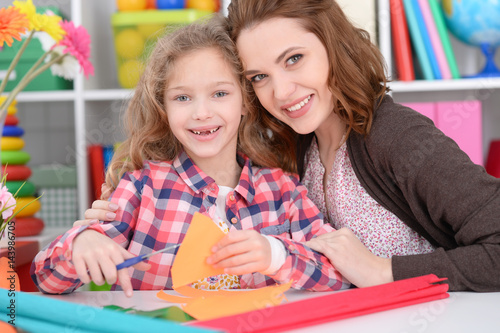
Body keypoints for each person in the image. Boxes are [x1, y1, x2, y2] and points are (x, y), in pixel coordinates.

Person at [80, 0, 500, 292]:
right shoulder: (293, 145)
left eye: (294, 58)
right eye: (258, 77)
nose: (281, 91)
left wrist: (384, 271)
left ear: (333, 46)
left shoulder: (398, 137)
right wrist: (100, 226)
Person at [31, 14, 349, 298]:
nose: (201, 113)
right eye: (182, 97)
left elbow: (340, 274)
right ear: (164, 109)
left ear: (245, 102)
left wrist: (275, 255)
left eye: (220, 94)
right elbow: (45, 279)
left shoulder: (282, 191)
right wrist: (80, 244)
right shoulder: (141, 189)